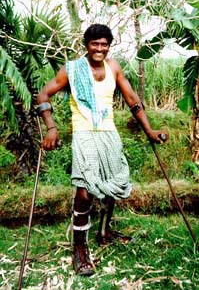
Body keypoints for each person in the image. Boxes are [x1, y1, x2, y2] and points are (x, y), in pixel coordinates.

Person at [37, 23, 168, 276]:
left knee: (112, 183)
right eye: (95, 44)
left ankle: (105, 232)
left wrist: (149, 131)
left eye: (104, 44)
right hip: (84, 134)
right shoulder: (72, 70)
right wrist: (51, 128)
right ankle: (79, 249)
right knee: (84, 191)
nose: (99, 49)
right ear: (86, 45)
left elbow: (133, 100)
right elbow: (43, 95)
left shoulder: (114, 67)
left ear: (109, 46)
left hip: (109, 133)